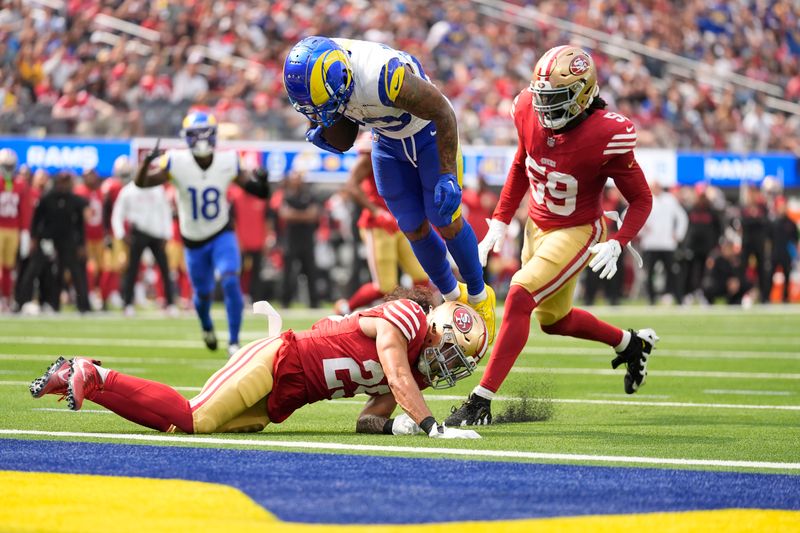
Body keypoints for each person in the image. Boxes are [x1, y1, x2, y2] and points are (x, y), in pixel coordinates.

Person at [445, 46, 658, 426]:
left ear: (582, 94)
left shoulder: (608, 133)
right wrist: (500, 220)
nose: (544, 108)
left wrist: (619, 240)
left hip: (577, 230)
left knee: (520, 292)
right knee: (553, 320)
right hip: (536, 226)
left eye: (556, 99)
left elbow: (641, 198)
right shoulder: (526, 108)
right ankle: (631, 344)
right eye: (542, 97)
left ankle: (480, 400)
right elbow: (521, 164)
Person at [29, 289, 486, 439]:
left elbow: (367, 421)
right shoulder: (404, 318)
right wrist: (430, 426)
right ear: (434, 327)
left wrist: (400, 426)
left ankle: (84, 377)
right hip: (277, 361)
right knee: (196, 418)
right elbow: (395, 368)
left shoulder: (410, 374)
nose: (446, 364)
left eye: (456, 362)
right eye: (449, 350)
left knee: (188, 427)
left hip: (285, 397)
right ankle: (95, 374)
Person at [283, 36, 496, 342]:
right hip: (386, 139)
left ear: (341, 77)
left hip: (428, 132)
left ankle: (479, 295)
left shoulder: (382, 76)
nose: (317, 113)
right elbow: (345, 133)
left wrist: (448, 172)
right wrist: (324, 124)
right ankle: (452, 297)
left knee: (445, 219)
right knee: (411, 226)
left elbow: (443, 111)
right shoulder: (325, 76)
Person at [135, 112, 271, 357]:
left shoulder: (228, 160)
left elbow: (258, 193)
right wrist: (146, 163)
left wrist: (263, 181)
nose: (199, 141)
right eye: (194, 136)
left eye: (203, 135)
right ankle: (207, 326)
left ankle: (233, 342)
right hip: (193, 240)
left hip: (221, 232)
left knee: (231, 280)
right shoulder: (175, 161)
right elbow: (141, 183)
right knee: (203, 294)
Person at [335, 132, 429, 314]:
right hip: (378, 223)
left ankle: (422, 316)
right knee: (385, 286)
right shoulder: (374, 144)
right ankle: (346, 308)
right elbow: (352, 184)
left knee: (422, 277)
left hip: (401, 219)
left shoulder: (402, 140)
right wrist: (375, 210)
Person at [17, 171, 90, 313]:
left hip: (67, 240)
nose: (64, 184)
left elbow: (80, 223)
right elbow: (36, 220)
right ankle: (21, 302)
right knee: (35, 270)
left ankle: (83, 306)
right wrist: (34, 238)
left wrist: (81, 244)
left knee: (74, 272)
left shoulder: (74, 199)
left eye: (67, 181)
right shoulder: (47, 198)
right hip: (47, 239)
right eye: (62, 181)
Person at [111, 172, 175, 315]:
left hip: (157, 234)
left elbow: (165, 212)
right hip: (138, 233)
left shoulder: (157, 190)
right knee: (132, 270)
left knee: (165, 270)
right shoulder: (128, 191)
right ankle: (128, 304)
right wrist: (121, 234)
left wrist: (167, 234)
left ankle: (170, 303)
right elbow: (117, 214)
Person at [638, 181, 688, 305]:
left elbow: (682, 217)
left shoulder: (670, 200)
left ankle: (678, 297)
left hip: (667, 244)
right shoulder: (645, 199)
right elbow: (631, 215)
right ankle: (651, 299)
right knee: (649, 273)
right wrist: (642, 229)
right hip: (650, 244)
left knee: (672, 272)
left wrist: (678, 234)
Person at [279, 171, 321, 308]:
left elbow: (313, 215)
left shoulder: (309, 195)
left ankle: (314, 302)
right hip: (291, 240)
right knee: (288, 272)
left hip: (307, 240)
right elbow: (285, 214)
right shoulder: (287, 196)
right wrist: (304, 215)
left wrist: (295, 215)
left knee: (310, 271)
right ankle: (285, 301)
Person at [0, 148, 30, 312]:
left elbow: (24, 210)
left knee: (8, 267)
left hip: (13, 230)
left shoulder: (20, 184)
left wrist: (24, 231)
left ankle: (6, 298)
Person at [73, 168, 106, 309]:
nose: (92, 178)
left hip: (99, 237)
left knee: (101, 268)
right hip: (85, 237)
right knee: (89, 268)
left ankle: (98, 295)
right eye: (89, 175)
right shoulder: (79, 191)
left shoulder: (100, 192)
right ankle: (88, 294)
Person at [769, 197, 798, 303]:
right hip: (775, 252)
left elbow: (795, 240)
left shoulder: (791, 223)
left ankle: (786, 298)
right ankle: (768, 297)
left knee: (787, 274)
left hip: (786, 254)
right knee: (770, 275)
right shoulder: (773, 222)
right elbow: (769, 239)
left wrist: (794, 254)